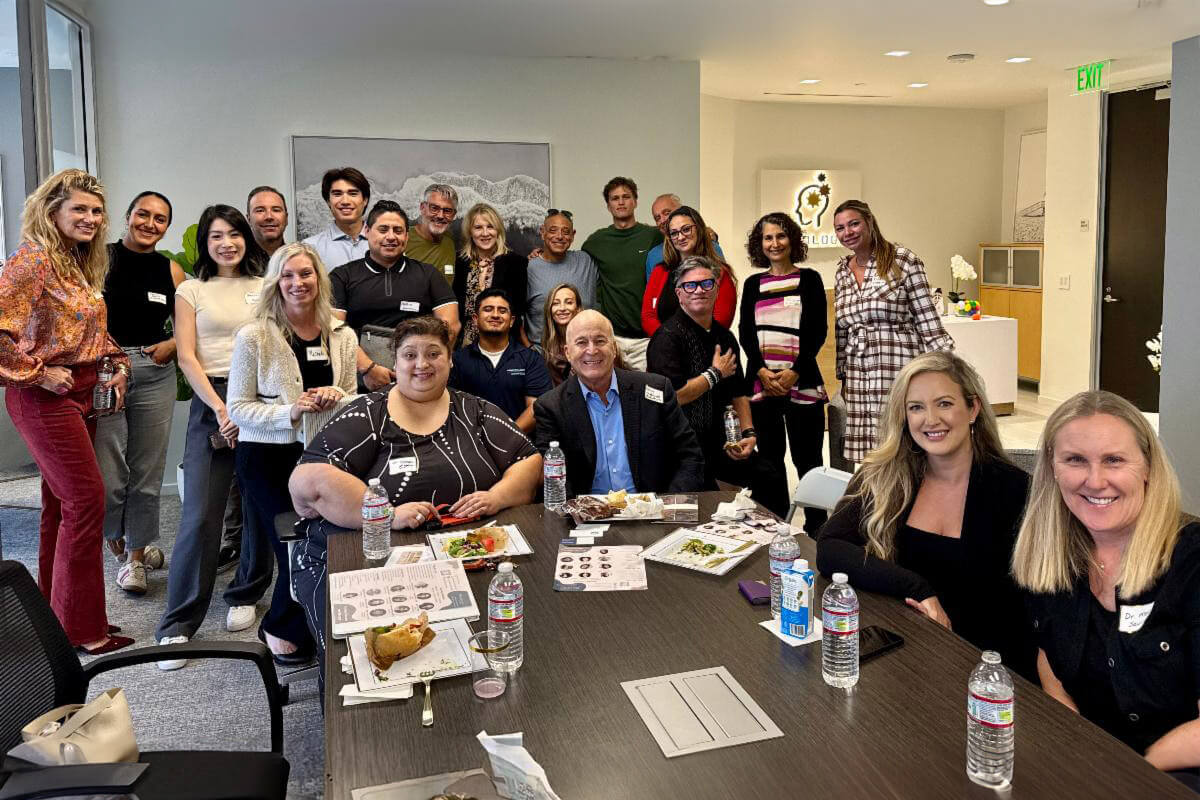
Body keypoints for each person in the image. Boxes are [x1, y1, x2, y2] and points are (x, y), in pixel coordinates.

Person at [289, 315, 542, 677]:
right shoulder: (367, 414)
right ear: (395, 363)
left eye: (433, 354)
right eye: (410, 355)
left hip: (465, 556)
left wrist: (497, 497)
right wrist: (387, 515)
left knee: (511, 639)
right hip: (366, 560)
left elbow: (528, 459)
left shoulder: (476, 410)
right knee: (375, 664)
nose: (422, 364)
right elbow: (307, 481)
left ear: (450, 361)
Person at [1012, 391, 1200, 787]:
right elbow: (1050, 658)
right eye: (1075, 460)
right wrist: (1075, 757)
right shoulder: (1050, 555)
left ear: (1147, 466)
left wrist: (1124, 775)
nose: (1095, 480)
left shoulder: (1192, 559)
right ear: (1052, 468)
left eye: (1114, 460)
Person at [817, 351, 1034, 678]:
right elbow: (830, 547)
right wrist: (917, 587)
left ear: (972, 408)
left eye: (944, 403)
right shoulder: (887, 475)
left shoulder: (1014, 489)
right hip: (910, 656)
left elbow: (1034, 606)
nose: (930, 419)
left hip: (990, 674)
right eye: (916, 407)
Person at [0, 168, 132, 654]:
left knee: (60, 505)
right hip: (44, 396)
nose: (91, 218)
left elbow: (87, 333)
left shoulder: (74, 262)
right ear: (50, 210)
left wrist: (116, 363)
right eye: (80, 208)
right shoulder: (31, 261)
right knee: (86, 501)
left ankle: (55, 621)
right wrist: (36, 372)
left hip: (82, 388)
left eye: (97, 211)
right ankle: (81, 629)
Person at [226, 243, 357, 668]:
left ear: (319, 279)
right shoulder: (255, 336)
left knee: (321, 542)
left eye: (305, 274)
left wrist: (334, 395)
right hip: (266, 458)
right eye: (288, 276)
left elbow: (353, 396)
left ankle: (301, 624)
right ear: (275, 283)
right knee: (292, 547)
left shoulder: (342, 335)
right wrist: (292, 410)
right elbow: (238, 409)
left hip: (320, 457)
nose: (297, 283)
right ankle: (281, 627)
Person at [155, 204, 269, 667]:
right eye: (216, 235)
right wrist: (222, 408)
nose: (227, 243)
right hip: (212, 402)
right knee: (201, 514)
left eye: (235, 233)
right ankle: (178, 624)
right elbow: (186, 356)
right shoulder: (191, 290)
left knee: (261, 506)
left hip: (262, 399)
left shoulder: (266, 287)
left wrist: (252, 407)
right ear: (205, 242)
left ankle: (245, 592)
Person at [95, 191, 188, 594]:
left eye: (160, 219)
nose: (151, 224)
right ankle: (121, 542)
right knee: (110, 474)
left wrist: (173, 345)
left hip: (154, 371)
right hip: (104, 372)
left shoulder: (171, 270)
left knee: (147, 472)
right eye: (143, 215)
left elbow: (188, 326)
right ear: (128, 216)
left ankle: (135, 557)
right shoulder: (99, 259)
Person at [646, 257, 787, 516]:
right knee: (698, 508)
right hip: (681, 450)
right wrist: (714, 374)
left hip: (722, 443)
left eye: (706, 283)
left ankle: (770, 546)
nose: (699, 290)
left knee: (771, 479)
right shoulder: (666, 338)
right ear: (679, 293)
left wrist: (748, 434)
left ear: (716, 289)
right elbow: (673, 396)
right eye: (690, 286)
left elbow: (739, 392)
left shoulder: (725, 336)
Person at [832, 199, 953, 464]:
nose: (847, 232)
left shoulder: (902, 260)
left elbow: (928, 321)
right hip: (858, 372)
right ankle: (875, 500)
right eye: (840, 228)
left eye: (854, 224)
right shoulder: (842, 271)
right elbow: (843, 330)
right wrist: (842, 374)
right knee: (868, 452)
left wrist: (950, 372)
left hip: (897, 366)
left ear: (869, 222)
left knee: (902, 442)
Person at [533, 309, 703, 497]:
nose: (592, 350)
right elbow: (554, 479)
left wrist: (671, 504)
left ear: (614, 348)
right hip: (587, 519)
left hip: (653, 513)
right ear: (568, 352)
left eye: (600, 341)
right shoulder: (550, 407)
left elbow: (690, 455)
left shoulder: (657, 389)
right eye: (581, 342)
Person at [740, 212, 829, 533]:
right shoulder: (753, 284)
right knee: (770, 461)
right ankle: (775, 519)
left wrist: (794, 371)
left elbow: (818, 331)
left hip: (801, 381)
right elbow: (747, 333)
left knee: (808, 461)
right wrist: (762, 372)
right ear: (759, 244)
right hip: (763, 385)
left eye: (780, 236)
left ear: (792, 239)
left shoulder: (810, 279)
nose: (774, 243)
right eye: (767, 237)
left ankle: (818, 527)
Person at [330, 200, 460, 390]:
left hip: (419, 378)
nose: (391, 237)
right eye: (383, 229)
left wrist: (419, 368)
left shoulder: (428, 274)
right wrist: (367, 368)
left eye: (398, 231)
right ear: (367, 231)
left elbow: (451, 326)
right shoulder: (342, 276)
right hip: (360, 381)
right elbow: (334, 329)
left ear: (407, 237)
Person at [581, 177, 662, 370]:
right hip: (612, 338)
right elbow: (572, 259)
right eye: (615, 198)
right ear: (608, 205)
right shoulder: (597, 241)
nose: (621, 202)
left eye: (626, 197)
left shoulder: (653, 236)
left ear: (635, 201)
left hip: (646, 338)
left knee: (648, 395)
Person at [450, 288, 552, 433]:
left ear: (511, 321)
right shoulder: (458, 361)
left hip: (519, 447)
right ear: (475, 319)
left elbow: (535, 409)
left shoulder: (531, 359)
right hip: (471, 446)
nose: (495, 315)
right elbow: (452, 407)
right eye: (488, 309)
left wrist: (507, 438)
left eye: (502, 310)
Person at [641, 206, 736, 337]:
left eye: (686, 230)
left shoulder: (719, 272)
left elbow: (721, 320)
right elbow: (648, 316)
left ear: (699, 229)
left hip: (707, 350)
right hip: (666, 349)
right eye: (674, 233)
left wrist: (690, 344)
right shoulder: (660, 271)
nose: (680, 237)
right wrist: (667, 341)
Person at [452, 203, 529, 346]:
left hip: (503, 343)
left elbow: (518, 310)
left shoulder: (516, 263)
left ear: (498, 230)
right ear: (470, 231)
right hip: (464, 344)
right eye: (478, 227)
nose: (485, 233)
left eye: (490, 227)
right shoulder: (459, 262)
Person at [524, 210, 597, 346]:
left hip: (583, 350)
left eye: (566, 231)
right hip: (541, 353)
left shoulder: (586, 261)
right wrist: (529, 348)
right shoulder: (529, 268)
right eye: (553, 230)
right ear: (542, 232)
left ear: (573, 235)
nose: (559, 236)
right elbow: (516, 314)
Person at [643, 193, 725, 281]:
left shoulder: (712, 247)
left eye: (667, 213)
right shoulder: (653, 256)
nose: (663, 220)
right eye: (657, 218)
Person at [302, 167, 369, 270]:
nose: (345, 201)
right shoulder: (310, 248)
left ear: (365, 200)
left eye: (353, 194)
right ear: (328, 201)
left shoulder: (385, 243)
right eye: (337, 194)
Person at [404, 183, 458, 278]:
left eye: (447, 210)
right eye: (434, 208)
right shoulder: (403, 240)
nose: (440, 215)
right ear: (422, 208)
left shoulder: (449, 244)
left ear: (454, 215)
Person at [537, 283, 584, 386]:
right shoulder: (548, 344)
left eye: (569, 302)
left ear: (578, 308)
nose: (562, 308)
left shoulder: (590, 341)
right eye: (556, 303)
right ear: (549, 309)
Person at [246, 185, 288, 256]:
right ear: (249, 219)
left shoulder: (298, 259)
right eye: (260, 210)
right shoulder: (237, 262)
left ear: (286, 218)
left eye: (276, 210)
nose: (269, 216)